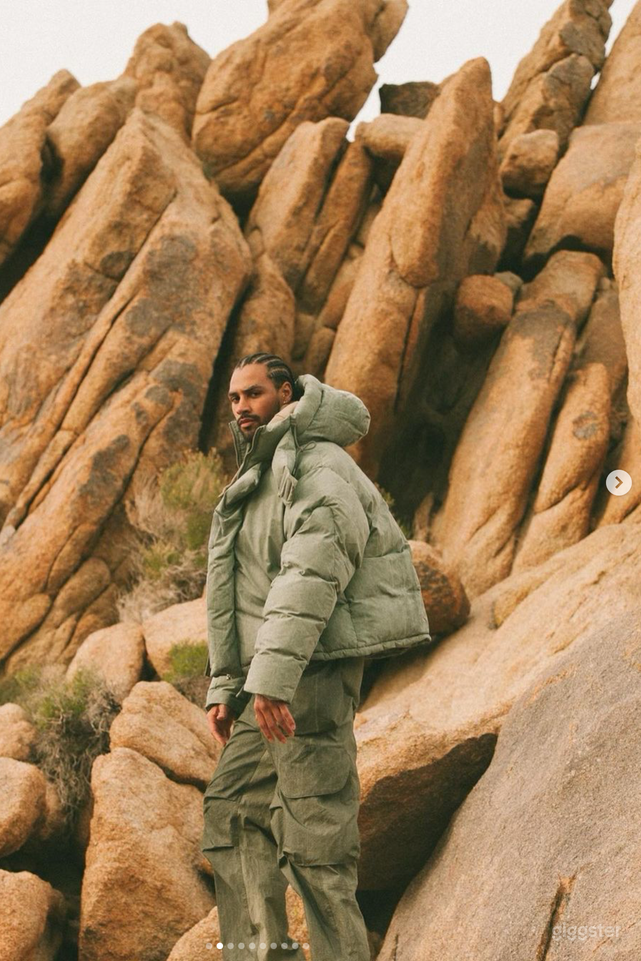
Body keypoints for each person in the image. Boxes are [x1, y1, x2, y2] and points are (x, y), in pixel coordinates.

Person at [200, 352, 432, 961]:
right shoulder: (258, 474)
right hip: (267, 679)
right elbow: (239, 591)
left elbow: (311, 575)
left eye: (253, 395)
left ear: (286, 392)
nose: (242, 407)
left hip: (313, 673)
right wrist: (227, 684)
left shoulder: (320, 467)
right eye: (234, 399)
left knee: (315, 842)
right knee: (233, 815)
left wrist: (272, 681)